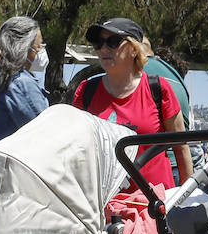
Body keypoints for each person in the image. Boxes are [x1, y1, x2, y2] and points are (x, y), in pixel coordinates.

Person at [71, 18, 192, 191]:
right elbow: (77, 150)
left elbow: (181, 148)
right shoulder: (86, 91)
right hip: (106, 205)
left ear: (134, 49)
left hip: (155, 204)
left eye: (113, 42)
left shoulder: (158, 88)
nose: (103, 49)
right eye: (98, 43)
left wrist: (187, 197)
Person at [0, 16, 49, 145]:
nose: (40, 50)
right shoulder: (20, 83)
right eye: (38, 45)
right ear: (24, 47)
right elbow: (45, 133)